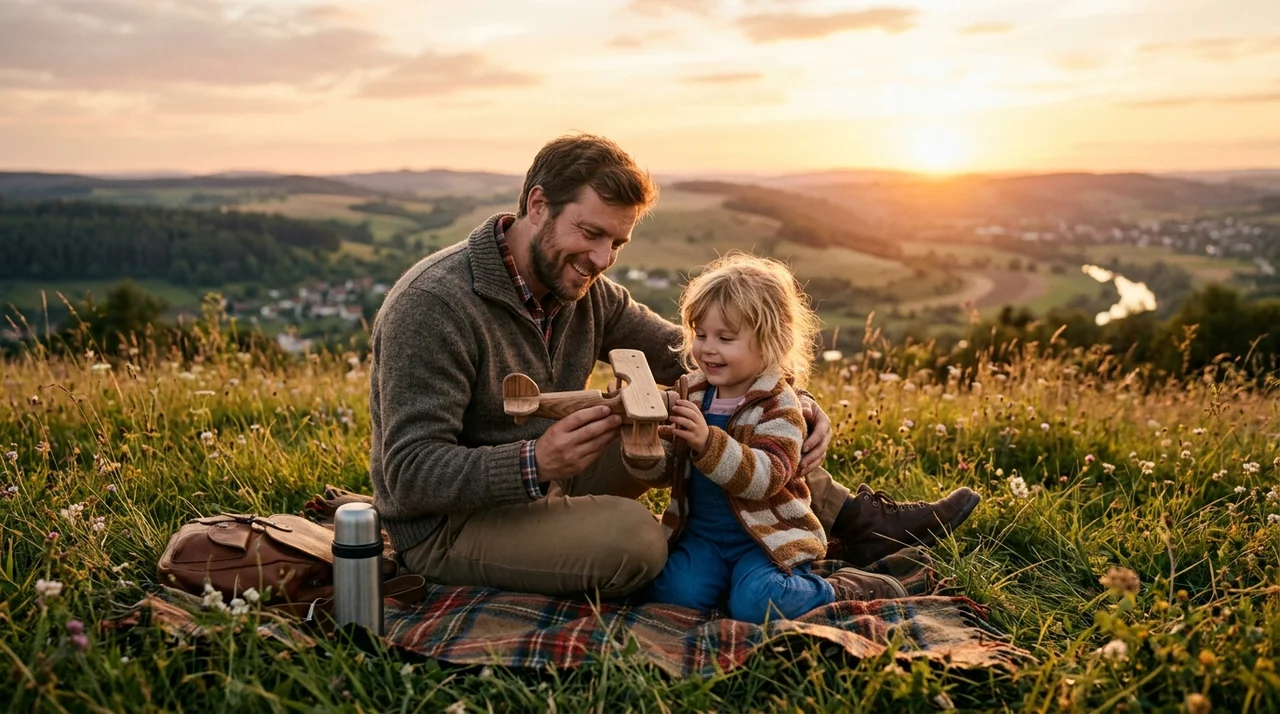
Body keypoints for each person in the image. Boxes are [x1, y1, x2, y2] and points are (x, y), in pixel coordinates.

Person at [368, 132, 980, 599]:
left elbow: (693, 356)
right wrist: (537, 461)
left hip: (549, 473)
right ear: (536, 205)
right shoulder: (435, 305)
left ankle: (857, 520)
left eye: (618, 243)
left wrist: (789, 399)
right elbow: (408, 475)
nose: (604, 258)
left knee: (700, 408)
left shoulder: (582, 289)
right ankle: (716, 556)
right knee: (638, 541)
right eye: (591, 233)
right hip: (451, 523)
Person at [629, 253, 907, 623]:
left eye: (725, 338)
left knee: (759, 603)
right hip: (703, 538)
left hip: (767, 540)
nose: (708, 348)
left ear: (770, 342)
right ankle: (725, 583)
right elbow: (667, 471)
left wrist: (706, 442)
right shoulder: (692, 392)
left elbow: (766, 478)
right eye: (701, 334)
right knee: (671, 594)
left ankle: (844, 587)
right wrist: (644, 454)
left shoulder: (779, 406)